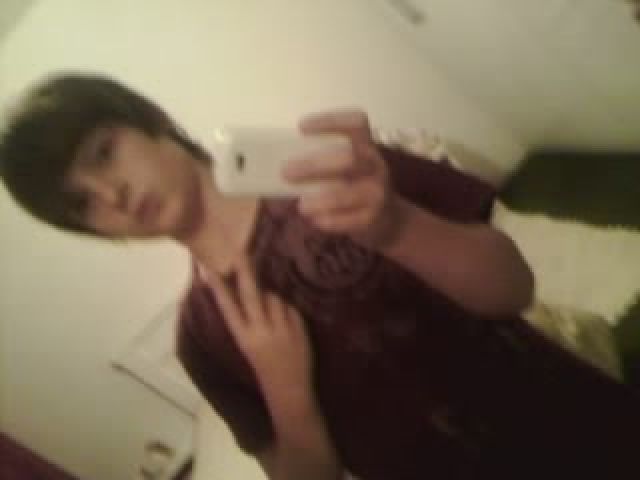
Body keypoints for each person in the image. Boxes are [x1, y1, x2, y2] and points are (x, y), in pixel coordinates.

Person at [2, 73, 639, 480]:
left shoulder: (336, 171)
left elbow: (514, 288)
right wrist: (288, 392)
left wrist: (395, 225)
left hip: (578, 430)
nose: (109, 193)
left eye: (103, 153)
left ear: (151, 120)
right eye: (80, 203)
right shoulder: (201, 337)